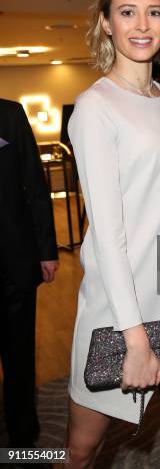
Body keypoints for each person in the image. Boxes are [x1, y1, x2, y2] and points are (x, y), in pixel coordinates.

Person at [64, 0, 160, 469]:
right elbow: (108, 234)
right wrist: (136, 338)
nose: (142, 25)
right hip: (122, 309)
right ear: (106, 22)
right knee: (81, 451)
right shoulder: (95, 107)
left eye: (153, 12)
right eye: (128, 12)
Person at [0, 99, 59, 448]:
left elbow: (34, 183)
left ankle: (24, 439)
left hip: (14, 262)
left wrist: (47, 249)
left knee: (19, 355)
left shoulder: (9, 114)